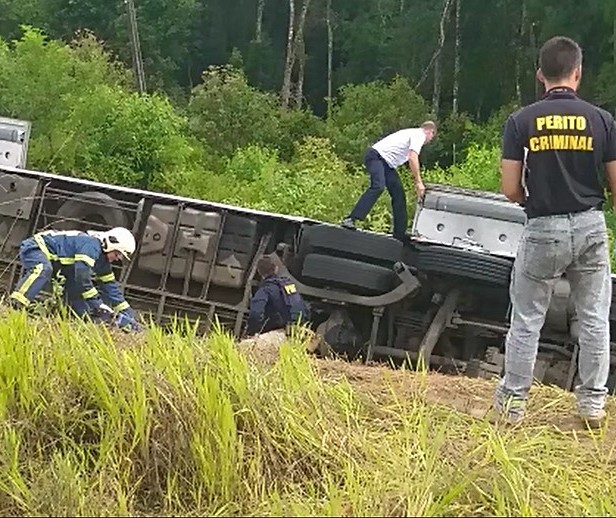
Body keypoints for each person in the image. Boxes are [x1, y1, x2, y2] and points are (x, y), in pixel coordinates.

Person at [493, 35, 616, 428]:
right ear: (578, 73)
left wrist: (533, 196)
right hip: (590, 225)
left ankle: (511, 406)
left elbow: (510, 189)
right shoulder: (602, 120)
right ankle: (593, 404)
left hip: (543, 227)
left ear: (539, 75)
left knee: (527, 319)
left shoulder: (521, 121)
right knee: (594, 318)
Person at [9, 226, 141, 331]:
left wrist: (129, 316)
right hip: (37, 247)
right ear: (110, 244)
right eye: (118, 253)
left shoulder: (103, 262)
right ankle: (15, 305)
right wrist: (98, 304)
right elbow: (82, 277)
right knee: (43, 269)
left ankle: (71, 324)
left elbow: (111, 288)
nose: (118, 258)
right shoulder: (91, 245)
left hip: (58, 264)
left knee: (81, 304)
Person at [341, 120, 437, 241]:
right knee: (378, 186)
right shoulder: (420, 135)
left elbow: (410, 160)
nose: (428, 141)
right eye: (431, 138)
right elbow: (413, 157)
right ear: (430, 132)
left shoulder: (411, 133)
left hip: (387, 164)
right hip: (376, 157)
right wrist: (418, 182)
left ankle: (399, 232)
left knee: (399, 194)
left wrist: (416, 180)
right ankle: (351, 219)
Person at [246, 255, 309, 336]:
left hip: (279, 330)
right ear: (276, 269)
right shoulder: (288, 284)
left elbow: (255, 313)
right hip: (298, 328)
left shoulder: (265, 289)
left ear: (259, 271)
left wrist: (252, 332)